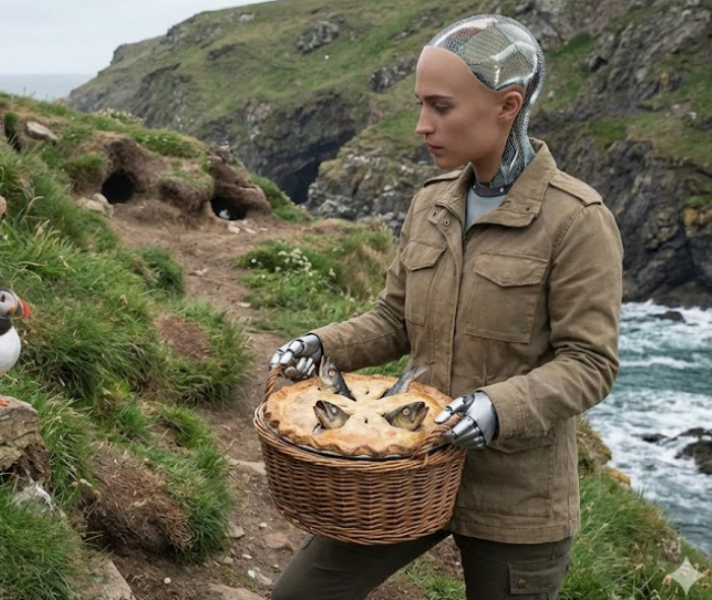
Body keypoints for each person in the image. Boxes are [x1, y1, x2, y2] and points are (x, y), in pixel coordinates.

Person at [267, 14, 623, 600]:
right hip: (403, 464)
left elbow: (589, 363)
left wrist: (494, 408)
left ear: (508, 105)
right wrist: (322, 343)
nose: (421, 125)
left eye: (441, 107)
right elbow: (392, 320)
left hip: (518, 498)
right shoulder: (430, 203)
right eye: (420, 105)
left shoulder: (577, 220)